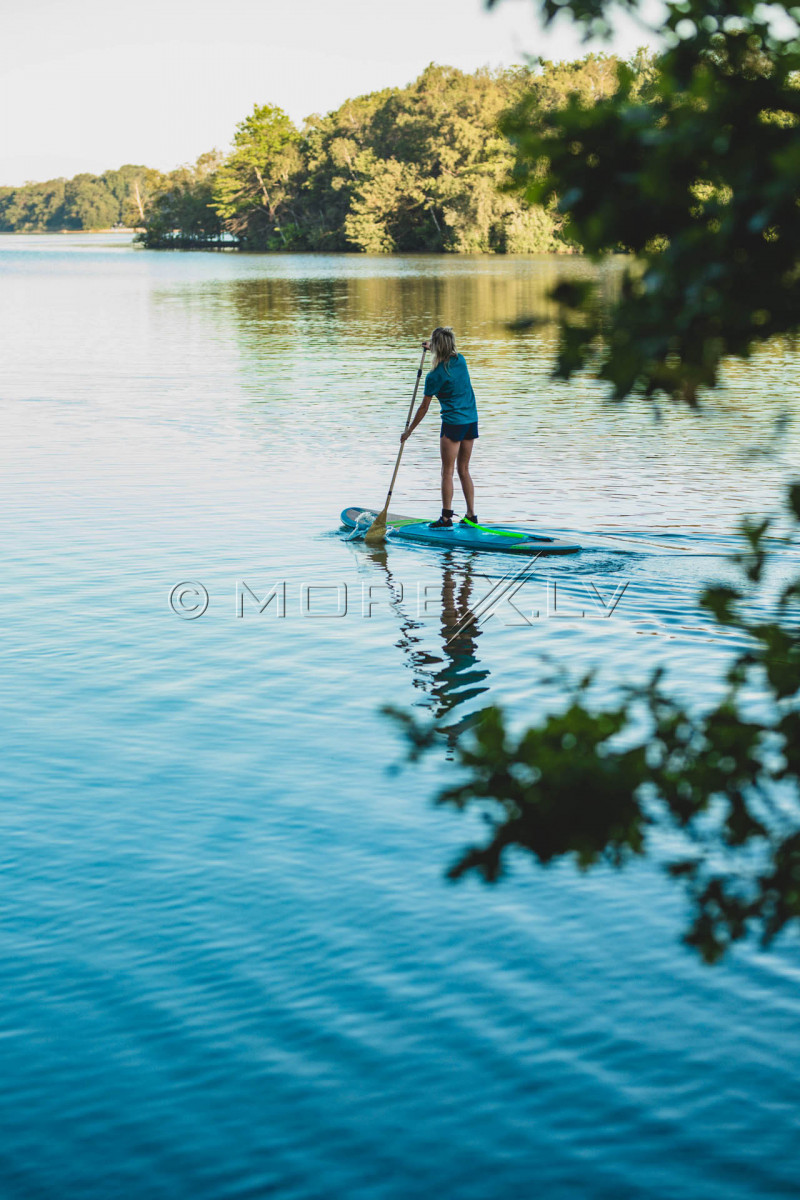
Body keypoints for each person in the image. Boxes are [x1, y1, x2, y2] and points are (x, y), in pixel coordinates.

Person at [400, 326, 479, 529]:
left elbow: (424, 407)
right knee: (464, 469)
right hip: (471, 421)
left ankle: (446, 518)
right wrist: (433, 347)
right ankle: (471, 515)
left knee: (447, 472)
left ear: (438, 347)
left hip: (453, 425)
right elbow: (446, 353)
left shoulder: (434, 376)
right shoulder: (461, 360)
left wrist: (408, 432)